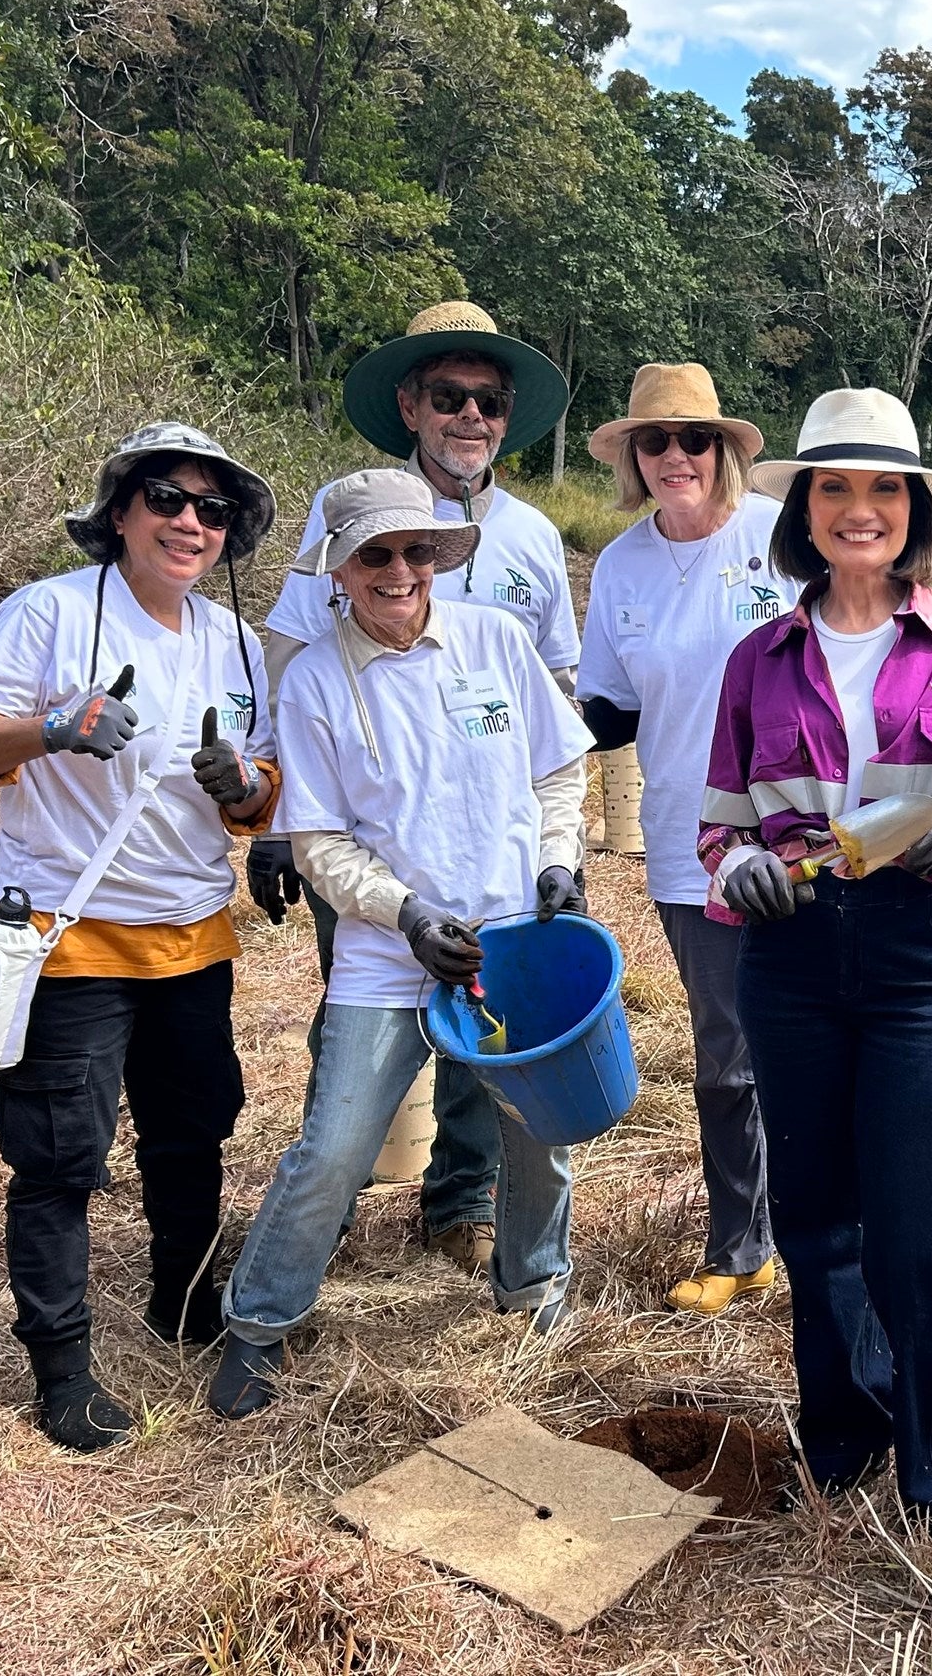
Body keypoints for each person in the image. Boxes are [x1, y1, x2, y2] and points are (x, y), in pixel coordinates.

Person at [699, 387, 932, 1538]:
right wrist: (737, 862)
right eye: (833, 487)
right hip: (789, 953)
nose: (859, 509)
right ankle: (839, 1429)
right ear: (802, 508)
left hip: (916, 951)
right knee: (814, 1211)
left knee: (918, 1214)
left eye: (881, 487)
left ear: (911, 509)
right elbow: (721, 817)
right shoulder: (758, 656)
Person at [211, 469, 593, 1419]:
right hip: (389, 956)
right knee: (335, 1147)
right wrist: (407, 915)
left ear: (438, 558)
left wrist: (559, 863)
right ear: (338, 570)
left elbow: (557, 775)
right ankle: (259, 1323)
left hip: (513, 942)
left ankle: (533, 1285)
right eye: (375, 554)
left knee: (539, 1135)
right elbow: (322, 844)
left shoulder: (496, 642)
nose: (399, 570)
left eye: (416, 551)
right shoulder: (313, 682)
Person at [0, 423, 280, 1451]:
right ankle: (63, 1367)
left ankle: (183, 1299)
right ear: (121, 511)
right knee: (58, 1156)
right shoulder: (47, 612)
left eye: (211, 510)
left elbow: (261, 790)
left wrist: (241, 787)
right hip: (68, 933)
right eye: (167, 499)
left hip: (193, 934)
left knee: (193, 1131)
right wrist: (52, 727)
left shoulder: (237, 642)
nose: (188, 522)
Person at [251, 301, 579, 1279]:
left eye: (487, 400)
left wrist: (551, 846)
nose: (468, 416)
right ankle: (334, 1199)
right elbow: (286, 652)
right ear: (410, 404)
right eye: (448, 396)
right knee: (364, 1006)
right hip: (361, 821)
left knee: (492, 1026)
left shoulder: (528, 536)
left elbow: (555, 684)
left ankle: (461, 1200)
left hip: (493, 824)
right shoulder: (343, 511)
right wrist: (277, 815)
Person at [578, 364, 799, 1315]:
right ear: (634, 456)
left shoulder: (783, 543)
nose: (676, 457)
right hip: (687, 840)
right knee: (726, 1052)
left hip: (804, 837)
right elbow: (606, 713)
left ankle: (832, 1227)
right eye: (656, 442)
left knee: (821, 1034)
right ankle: (741, 1242)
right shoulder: (621, 565)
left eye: (694, 440)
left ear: (726, 451)